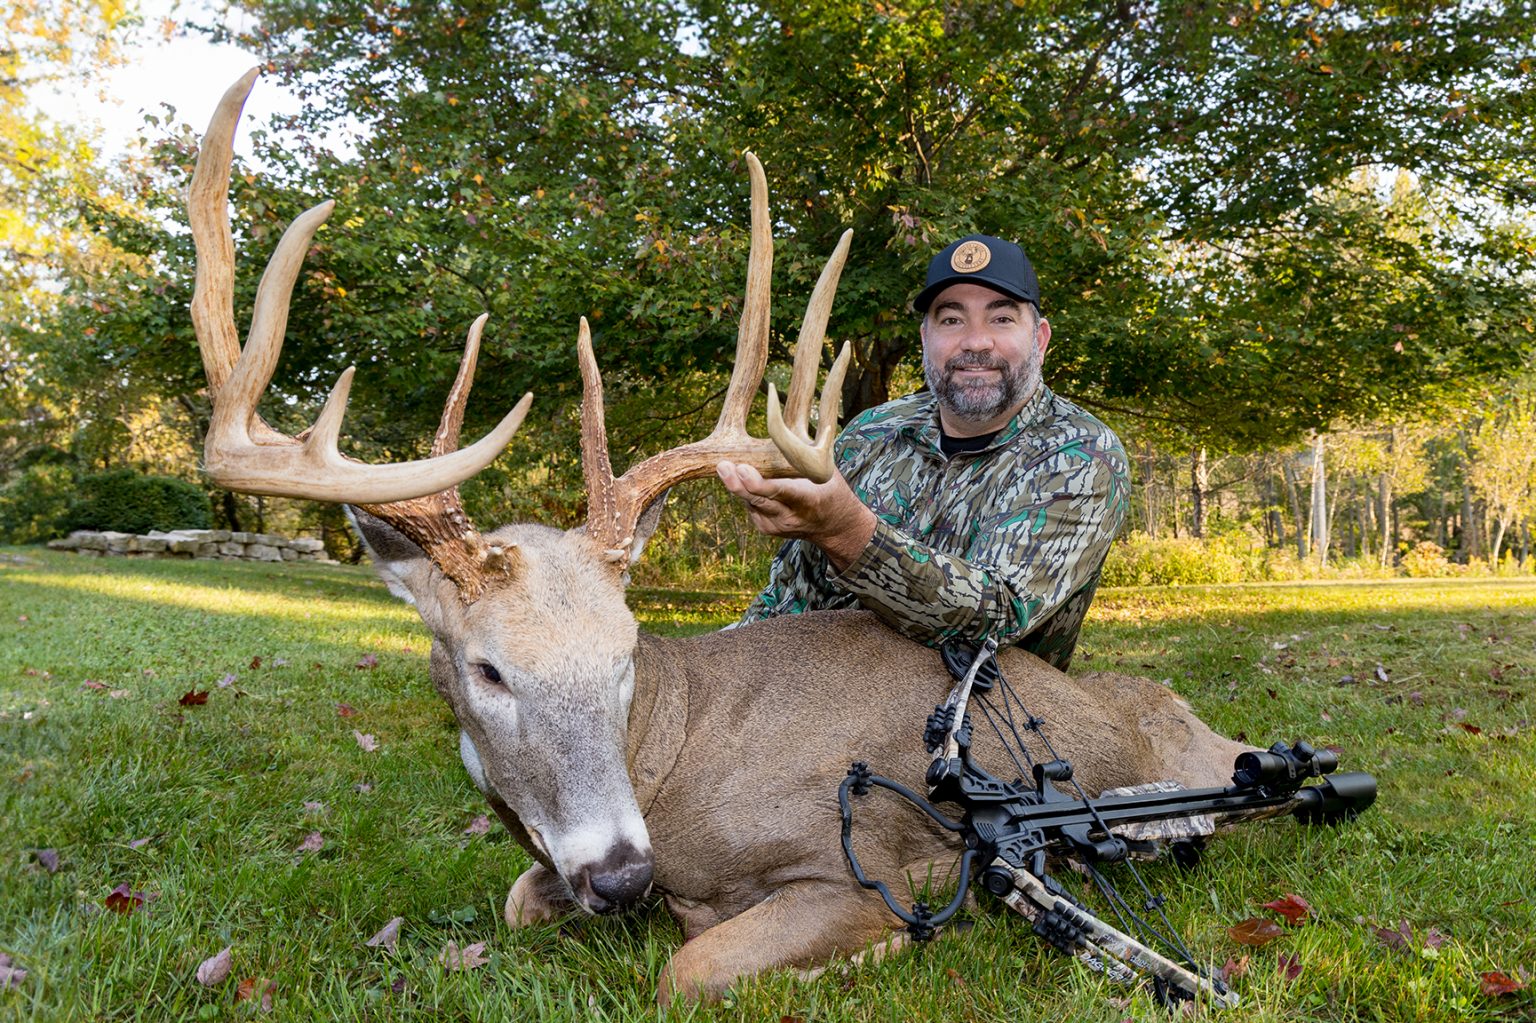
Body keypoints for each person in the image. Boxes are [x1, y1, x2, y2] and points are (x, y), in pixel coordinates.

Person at [715, 234, 1128, 670]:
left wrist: (846, 530)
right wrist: (725, 664)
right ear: (925, 337)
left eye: (1001, 319)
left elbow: (997, 616)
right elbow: (790, 594)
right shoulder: (874, 431)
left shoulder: (1082, 454)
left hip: (974, 714)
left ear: (1040, 339)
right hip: (819, 695)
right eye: (952, 320)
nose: (976, 342)